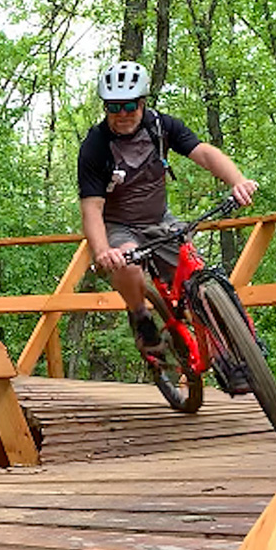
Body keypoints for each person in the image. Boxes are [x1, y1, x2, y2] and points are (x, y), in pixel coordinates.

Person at [77, 60, 258, 352]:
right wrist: (102, 252)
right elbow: (91, 209)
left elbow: (205, 154)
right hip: (118, 227)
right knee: (129, 262)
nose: (122, 115)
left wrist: (237, 181)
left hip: (159, 219)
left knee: (198, 279)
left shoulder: (161, 126)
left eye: (129, 106)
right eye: (113, 107)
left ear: (143, 102)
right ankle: (141, 317)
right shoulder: (95, 146)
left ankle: (237, 355)